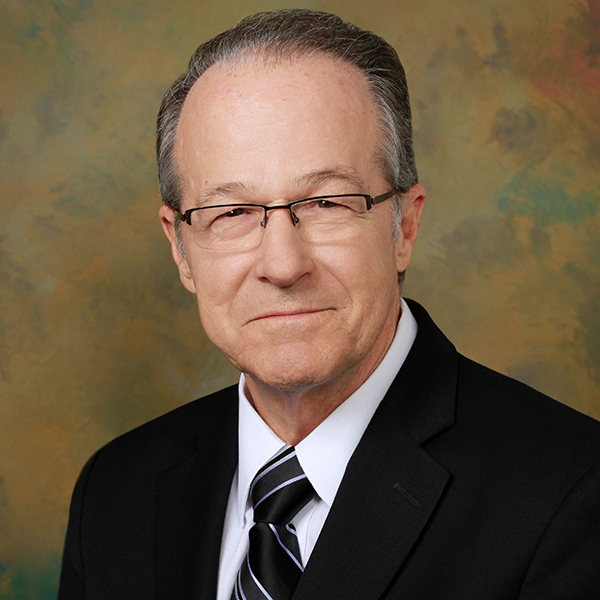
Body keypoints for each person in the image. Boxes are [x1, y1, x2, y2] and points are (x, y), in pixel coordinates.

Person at [58, 9, 600, 599]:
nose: (283, 265)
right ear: (181, 248)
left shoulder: (571, 492)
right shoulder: (115, 493)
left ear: (404, 226)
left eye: (327, 203)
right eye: (232, 212)